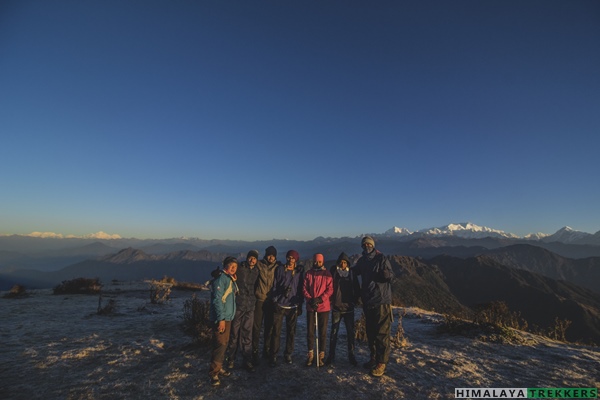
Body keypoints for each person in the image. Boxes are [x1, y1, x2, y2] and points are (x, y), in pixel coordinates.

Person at [353, 236, 394, 377]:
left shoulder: (381, 258)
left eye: (369, 244)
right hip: (368, 301)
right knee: (371, 332)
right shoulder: (362, 261)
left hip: (381, 301)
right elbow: (355, 271)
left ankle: (381, 363)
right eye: (364, 244)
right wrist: (342, 267)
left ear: (373, 245)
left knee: (382, 333)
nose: (366, 246)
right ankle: (374, 358)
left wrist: (386, 275)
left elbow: (390, 276)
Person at [225, 250, 260, 372]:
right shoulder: (240, 268)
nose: (252, 260)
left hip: (250, 306)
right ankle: (231, 359)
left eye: (254, 258)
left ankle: (247, 359)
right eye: (250, 257)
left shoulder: (257, 270)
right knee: (234, 333)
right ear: (247, 258)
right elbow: (230, 271)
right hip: (238, 305)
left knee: (247, 334)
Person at [269, 249, 304, 366]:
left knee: (291, 332)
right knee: (276, 332)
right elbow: (274, 285)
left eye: (293, 258)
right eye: (289, 257)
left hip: (292, 306)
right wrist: (275, 299)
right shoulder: (279, 270)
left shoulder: (299, 272)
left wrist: (300, 304)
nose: (290, 260)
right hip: (280, 304)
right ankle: (273, 355)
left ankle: (288, 353)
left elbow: (300, 289)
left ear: (296, 259)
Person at [325, 252, 361, 366]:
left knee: (350, 333)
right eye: (341, 262)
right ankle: (331, 356)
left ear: (347, 263)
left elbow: (357, 288)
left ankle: (351, 356)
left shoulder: (351, 274)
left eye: (345, 262)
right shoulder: (334, 272)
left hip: (348, 309)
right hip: (336, 308)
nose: (343, 264)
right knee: (334, 333)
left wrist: (354, 301)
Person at [208, 256, 239, 386]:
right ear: (225, 266)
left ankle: (218, 367)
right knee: (220, 344)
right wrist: (220, 319)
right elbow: (217, 300)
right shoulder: (221, 279)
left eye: (235, 267)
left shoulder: (229, 278)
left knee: (224, 343)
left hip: (227, 317)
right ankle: (214, 373)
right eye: (231, 266)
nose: (233, 268)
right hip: (221, 318)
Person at [303, 253, 333, 367]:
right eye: (316, 261)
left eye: (319, 262)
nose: (317, 263)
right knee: (310, 331)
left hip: (323, 307)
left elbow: (330, 290)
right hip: (311, 306)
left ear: (322, 262)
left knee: (322, 332)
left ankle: (321, 355)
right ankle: (310, 354)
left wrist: (320, 299)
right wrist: (310, 300)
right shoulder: (308, 274)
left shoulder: (327, 274)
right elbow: (304, 288)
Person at [253, 246, 281, 364]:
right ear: (266, 255)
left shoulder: (278, 267)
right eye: (269, 255)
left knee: (269, 328)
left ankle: (267, 350)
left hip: (271, 301)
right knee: (256, 327)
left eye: (273, 255)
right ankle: (254, 351)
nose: (271, 257)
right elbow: (248, 266)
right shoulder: (259, 265)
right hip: (260, 299)